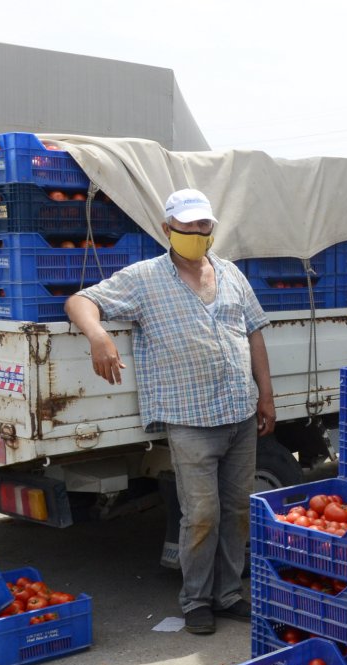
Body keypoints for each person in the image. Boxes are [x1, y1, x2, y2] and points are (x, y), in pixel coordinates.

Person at [64, 189, 275, 635]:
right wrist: (98, 336)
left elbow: (254, 334)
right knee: (201, 514)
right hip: (191, 419)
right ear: (167, 230)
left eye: (204, 226)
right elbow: (80, 301)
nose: (198, 234)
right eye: (189, 226)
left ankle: (229, 592)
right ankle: (196, 599)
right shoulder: (144, 278)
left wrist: (266, 396)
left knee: (238, 509)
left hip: (239, 411)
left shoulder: (231, 274)